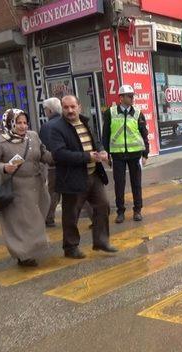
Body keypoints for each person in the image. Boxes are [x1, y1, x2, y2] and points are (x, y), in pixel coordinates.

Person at [48, 95, 117, 259]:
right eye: (66, 107)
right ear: (62, 109)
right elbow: (59, 154)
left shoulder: (85, 122)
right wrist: (87, 157)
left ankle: (101, 241)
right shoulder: (57, 128)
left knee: (103, 206)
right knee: (71, 214)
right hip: (72, 178)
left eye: (73, 106)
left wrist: (102, 151)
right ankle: (70, 247)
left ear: (79, 106)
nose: (70, 110)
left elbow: (96, 141)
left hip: (93, 175)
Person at [0, 109, 53, 267]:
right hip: (17, 188)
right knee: (21, 222)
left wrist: (57, 156)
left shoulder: (33, 136)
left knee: (37, 217)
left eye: (25, 122)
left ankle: (31, 248)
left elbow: (43, 154)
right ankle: (23, 254)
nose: (23, 126)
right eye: (18, 122)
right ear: (9, 123)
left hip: (37, 185)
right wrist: (4, 167)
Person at [102, 85, 150, 223]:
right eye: (129, 96)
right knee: (119, 184)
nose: (132, 98)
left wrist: (145, 154)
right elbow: (105, 135)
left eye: (132, 96)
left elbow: (144, 134)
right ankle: (120, 212)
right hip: (118, 155)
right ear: (121, 97)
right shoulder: (110, 113)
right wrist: (106, 153)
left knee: (136, 184)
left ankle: (137, 210)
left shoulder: (138, 113)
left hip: (135, 154)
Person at [39, 98, 63, 227]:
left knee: (53, 191)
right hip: (69, 163)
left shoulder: (46, 126)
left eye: (45, 109)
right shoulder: (66, 121)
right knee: (77, 191)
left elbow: (43, 148)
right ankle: (95, 216)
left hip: (54, 164)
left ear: (49, 110)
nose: (44, 112)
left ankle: (49, 218)